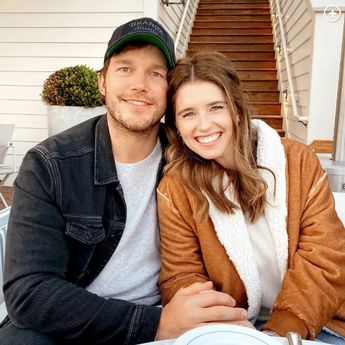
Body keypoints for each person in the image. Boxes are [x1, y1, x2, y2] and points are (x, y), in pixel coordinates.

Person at [0, 19, 249, 345]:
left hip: (163, 311)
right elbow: (29, 291)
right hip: (73, 320)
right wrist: (154, 324)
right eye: (125, 69)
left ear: (170, 91)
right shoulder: (50, 164)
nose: (140, 85)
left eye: (156, 73)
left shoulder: (191, 156)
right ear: (102, 82)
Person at [157, 51, 345, 344]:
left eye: (215, 107)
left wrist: (276, 334)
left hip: (319, 320)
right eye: (188, 113)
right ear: (177, 128)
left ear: (236, 109)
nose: (204, 125)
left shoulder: (296, 161)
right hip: (235, 326)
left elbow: (325, 257)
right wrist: (228, 326)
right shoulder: (175, 188)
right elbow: (183, 275)